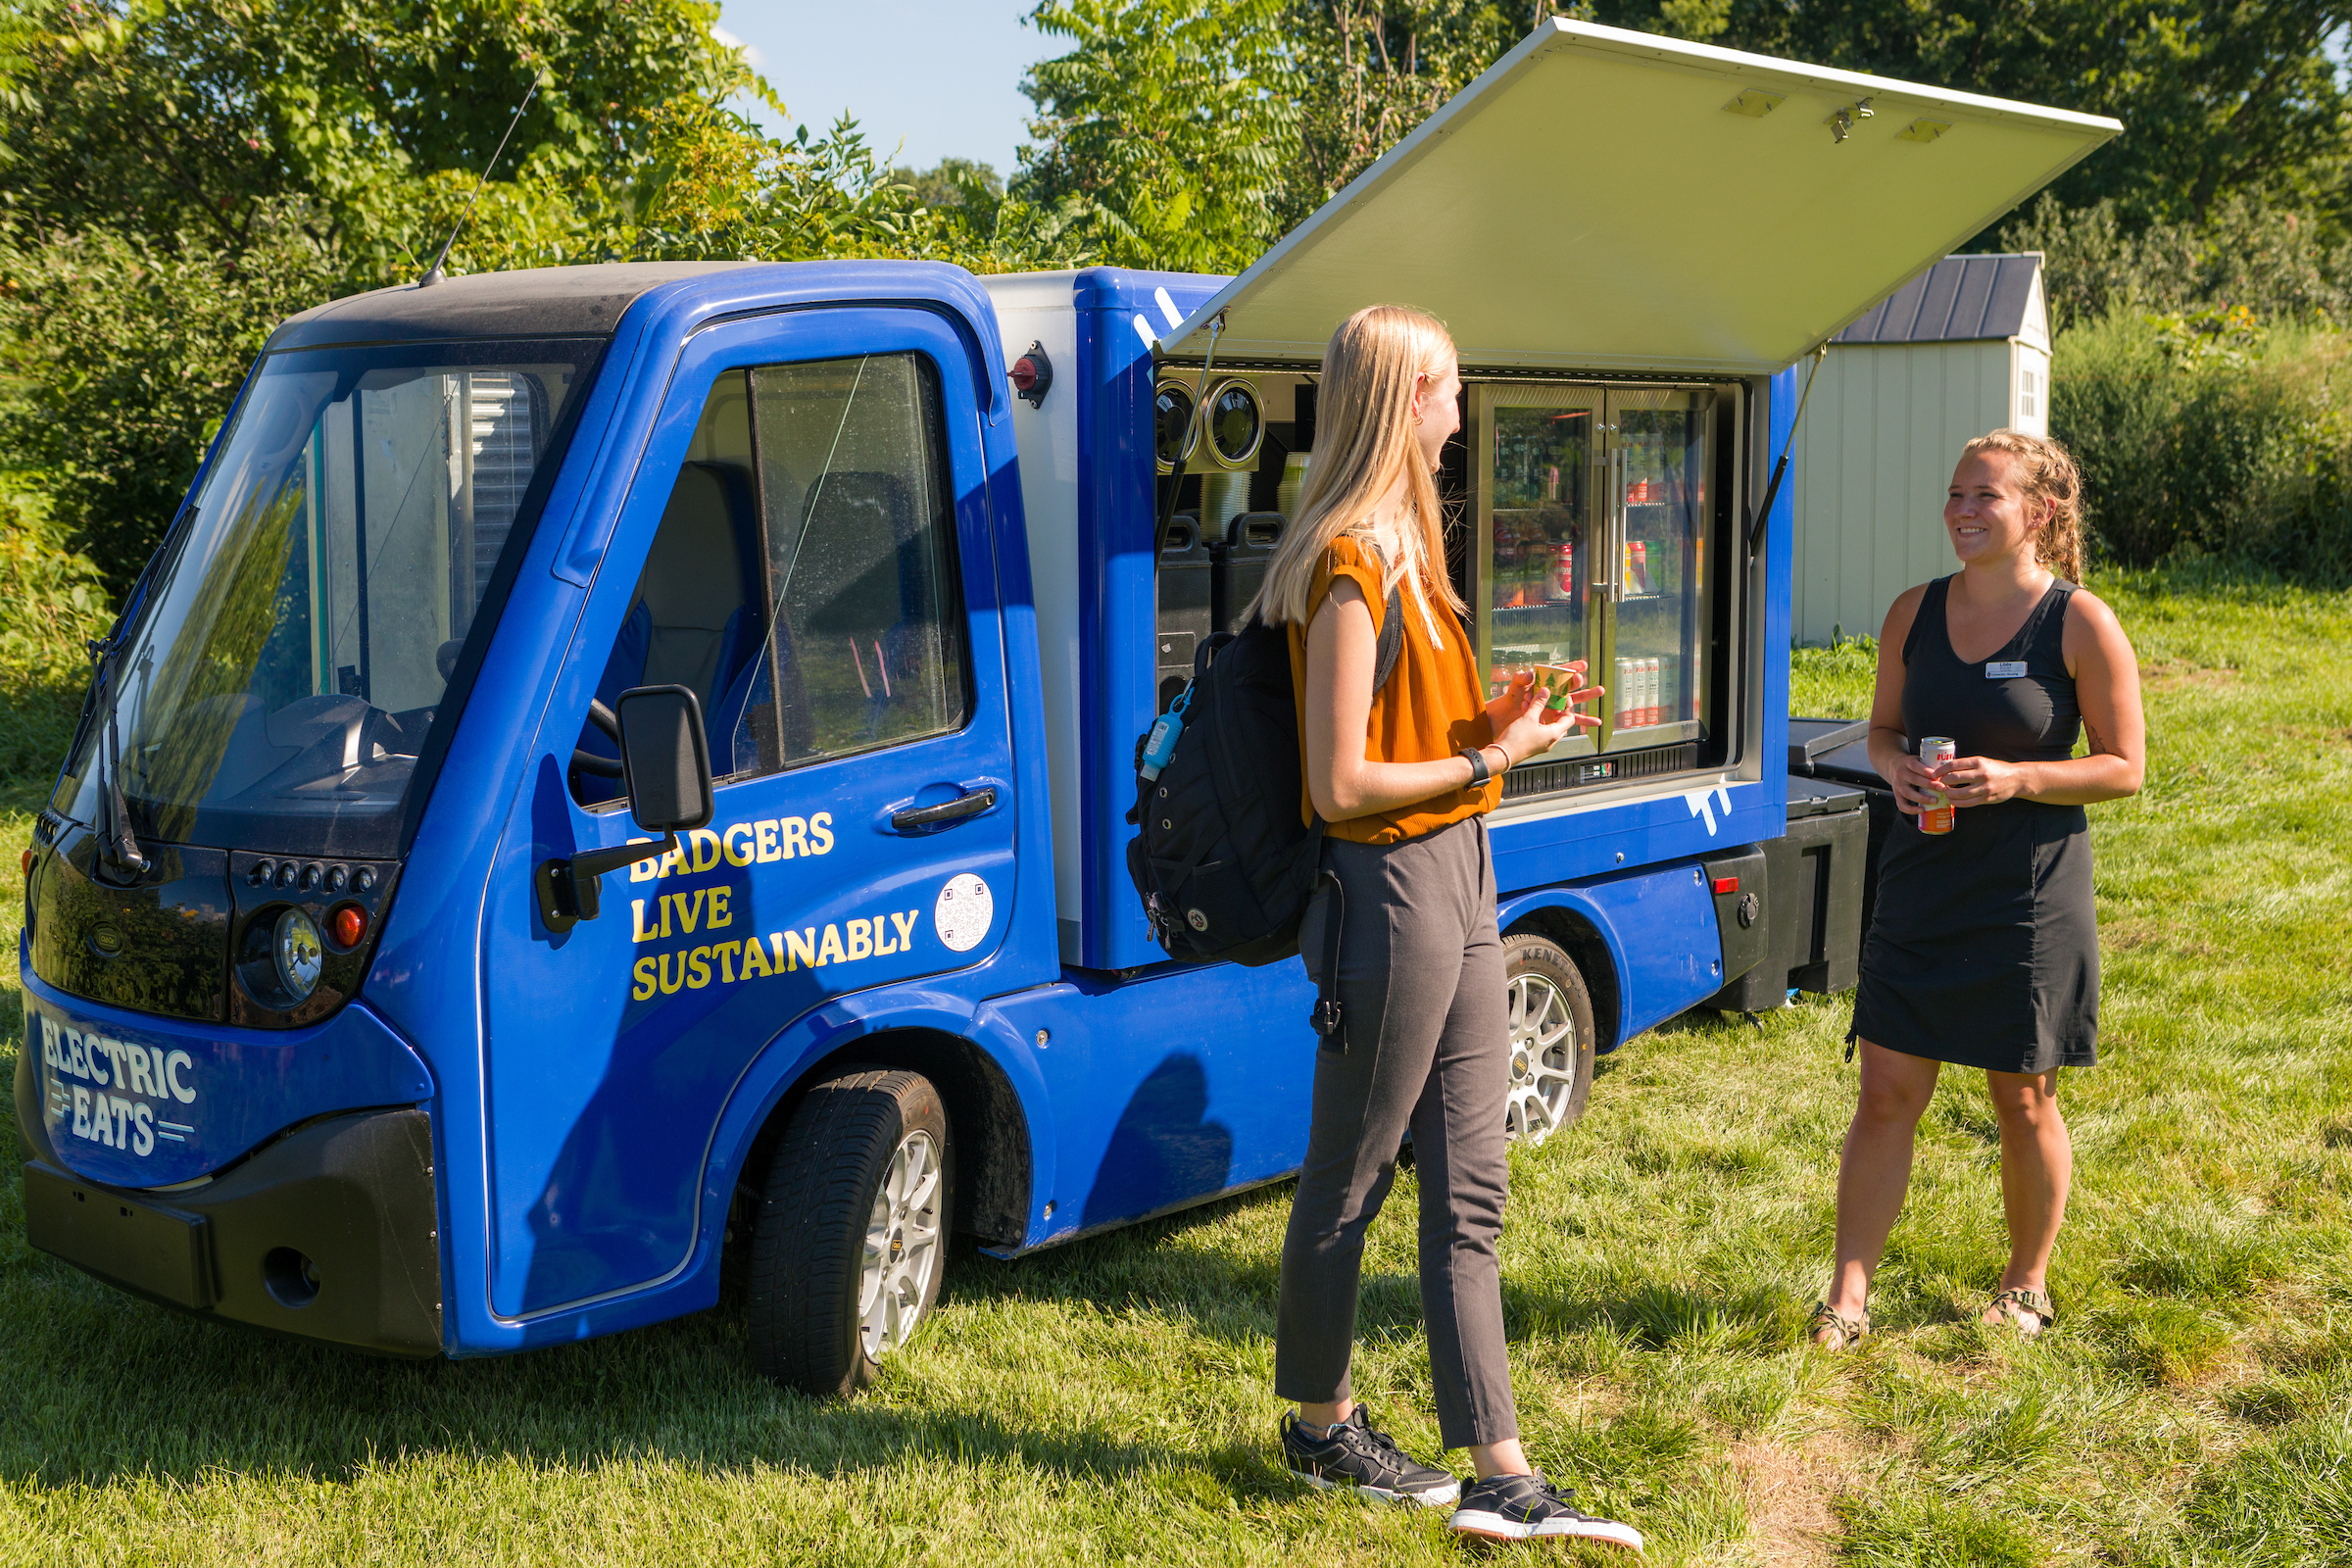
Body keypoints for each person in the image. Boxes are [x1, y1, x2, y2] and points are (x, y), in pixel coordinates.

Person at [1249, 304, 1641, 1551]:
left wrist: (1497, 726)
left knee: (1473, 1186)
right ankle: (1318, 1424)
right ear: (1398, 400)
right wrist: (1492, 761)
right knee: (1351, 1177)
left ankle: (1503, 1471)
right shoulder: (1351, 560)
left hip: (1464, 877)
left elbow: (1421, 741)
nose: (1462, 413)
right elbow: (1342, 785)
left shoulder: (1415, 548)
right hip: (1393, 890)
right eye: (1449, 389)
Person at [1810, 430, 2144, 1351]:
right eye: (1956, 493)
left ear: (2037, 513)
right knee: (1885, 1091)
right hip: (1920, 881)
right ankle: (1846, 1296)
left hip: (2027, 893)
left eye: (1985, 496)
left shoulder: (2078, 622)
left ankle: (2026, 1286)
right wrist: (1895, 770)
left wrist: (2019, 778)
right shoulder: (1912, 612)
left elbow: (2125, 768)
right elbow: (1881, 730)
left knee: (2021, 1097)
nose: (1962, 510)